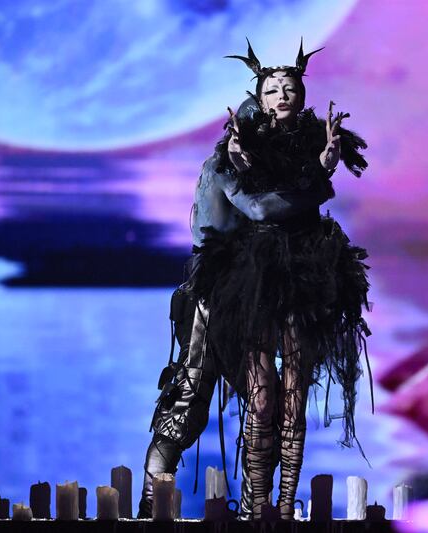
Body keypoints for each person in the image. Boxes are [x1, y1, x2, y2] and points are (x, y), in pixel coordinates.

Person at [186, 38, 372, 520]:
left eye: (290, 86)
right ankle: (255, 503)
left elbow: (297, 198)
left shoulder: (317, 142)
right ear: (259, 99)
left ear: (302, 95)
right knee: (262, 395)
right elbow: (258, 207)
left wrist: (323, 166)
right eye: (272, 89)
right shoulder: (237, 147)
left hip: (308, 268)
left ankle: (285, 505)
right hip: (255, 273)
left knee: (295, 392)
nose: (282, 94)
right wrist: (310, 179)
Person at [137, 96, 331, 519]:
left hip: (253, 302)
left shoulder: (266, 172)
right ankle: (151, 508)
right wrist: (319, 180)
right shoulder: (225, 167)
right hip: (213, 299)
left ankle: (252, 510)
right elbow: (259, 210)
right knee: (186, 406)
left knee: (269, 407)